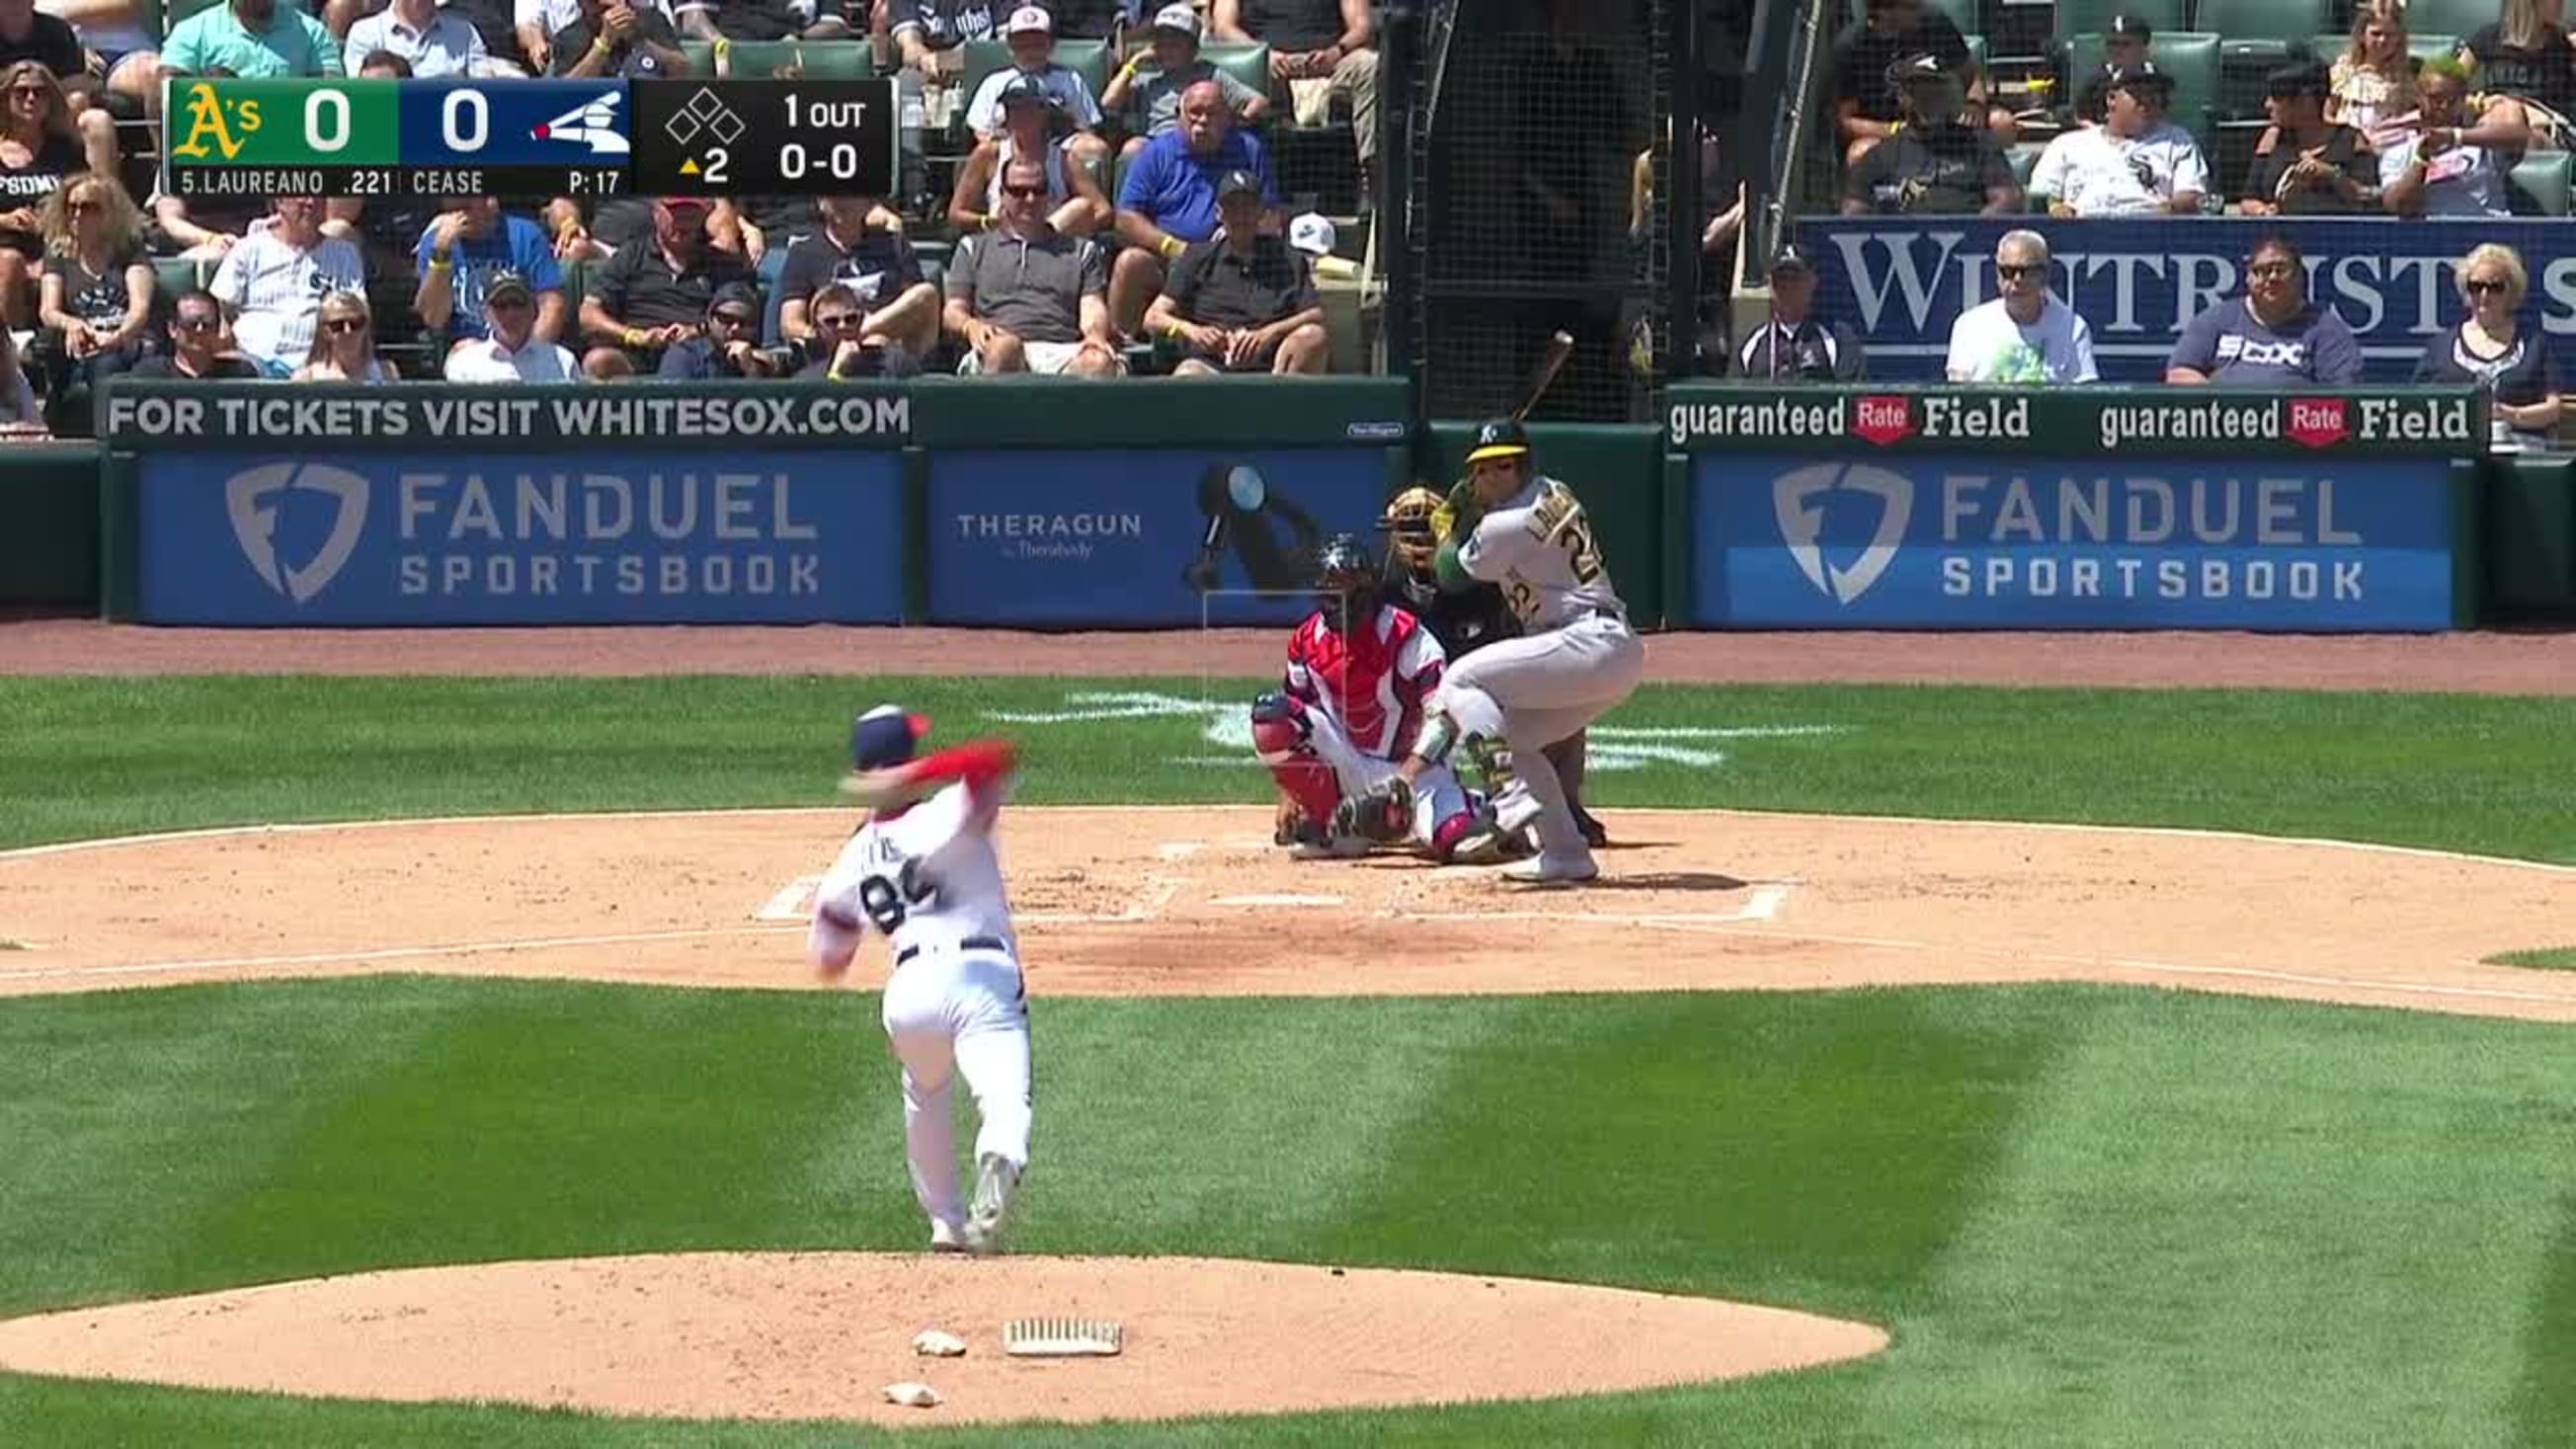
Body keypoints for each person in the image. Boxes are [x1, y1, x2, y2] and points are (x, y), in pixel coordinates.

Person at [1347, 419, 1644, 886]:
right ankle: (1566, 852)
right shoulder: (1553, 490)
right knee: (1517, 737)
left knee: (1463, 679)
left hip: (1587, 641)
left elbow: (1449, 573)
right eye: (1482, 469)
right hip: (1603, 651)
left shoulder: (1508, 524)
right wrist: (1472, 510)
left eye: (1502, 467)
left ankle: (1506, 797)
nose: (1489, 477)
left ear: (1522, 466)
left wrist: (1448, 526)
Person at [810, 705, 1032, 1257]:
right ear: (906, 756)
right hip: (980, 977)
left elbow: (831, 956)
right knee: (1002, 1095)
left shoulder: (850, 858)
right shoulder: (950, 810)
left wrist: (873, 845)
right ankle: (1001, 1151)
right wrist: (916, 779)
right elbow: (994, 757)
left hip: (909, 992)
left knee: (924, 1093)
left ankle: (946, 1225)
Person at [1250, 534, 1508, 865]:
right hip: (1348, 762)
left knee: (1459, 841)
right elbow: (1300, 712)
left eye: (1345, 585)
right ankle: (1331, 821)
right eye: (1329, 585)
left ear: (1367, 590)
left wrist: (1404, 780)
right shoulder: (1306, 640)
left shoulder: (1410, 638)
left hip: (1414, 773)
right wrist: (1290, 793)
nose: (1336, 595)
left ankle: (1484, 807)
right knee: (1271, 717)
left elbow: (1446, 720)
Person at [1376, 485, 1607, 851]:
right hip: (1413, 706)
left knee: (1556, 704)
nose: (1418, 540)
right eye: (1409, 530)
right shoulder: (1382, 595)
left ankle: (1562, 806)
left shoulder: (1483, 584)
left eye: (1425, 528)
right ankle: (1425, 803)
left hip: (1481, 695)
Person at [1112, 78, 1278, 336]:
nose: (1202, 121)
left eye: (1212, 114)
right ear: (1180, 117)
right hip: (1169, 261)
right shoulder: (1155, 153)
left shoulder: (1249, 149)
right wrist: (1173, 247)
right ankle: (1123, 348)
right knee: (1130, 262)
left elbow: (1271, 214)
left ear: (1228, 118)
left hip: (1233, 258)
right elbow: (1125, 218)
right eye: (1195, 113)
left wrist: (1241, 237)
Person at [942, 153, 1122, 375]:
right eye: (1018, 191)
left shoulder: (1081, 251)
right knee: (1005, 348)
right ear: (1002, 195)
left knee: (1098, 361)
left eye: (1038, 191)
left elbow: (1092, 307)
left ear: (1048, 196)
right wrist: (971, 326)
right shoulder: (972, 247)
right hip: (997, 342)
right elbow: (952, 312)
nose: (1029, 199)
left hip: (1061, 348)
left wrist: (1095, 334)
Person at [1145, 167, 1327, 376]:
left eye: (1248, 207)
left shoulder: (1287, 258)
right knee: (1188, 375)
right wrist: (1192, 331)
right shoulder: (1197, 257)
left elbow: (1315, 314)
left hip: (1273, 367)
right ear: (1219, 213)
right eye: (1232, 207)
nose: (1240, 215)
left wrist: (1269, 333)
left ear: (1261, 212)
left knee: (1313, 336)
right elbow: (1153, 317)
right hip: (1211, 364)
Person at [579, 196, 755, 374]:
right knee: (599, 360)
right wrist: (634, 336)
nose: (683, 223)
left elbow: (743, 316)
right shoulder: (631, 255)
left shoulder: (720, 262)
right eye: (676, 215)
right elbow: (588, 314)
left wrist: (697, 331)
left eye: (691, 216)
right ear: (656, 213)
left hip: (699, 356)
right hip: (637, 356)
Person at [1209, 0, 1376, 184]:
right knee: (1225, 80)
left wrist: (1336, 52)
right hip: (1268, 68)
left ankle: (1372, 178)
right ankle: (1234, 183)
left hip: (1331, 67)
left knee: (1368, 65)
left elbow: (1362, 26)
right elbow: (1224, 27)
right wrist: (1261, 54)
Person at [34, 173, 152, 432]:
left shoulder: (129, 250)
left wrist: (119, 336)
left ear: (109, 212)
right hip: (82, 343)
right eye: (71, 207)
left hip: (125, 343)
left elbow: (139, 308)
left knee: (107, 364)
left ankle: (111, 442)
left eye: (88, 208)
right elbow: (48, 310)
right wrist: (73, 324)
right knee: (93, 364)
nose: (77, 215)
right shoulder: (58, 253)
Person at [1, 60, 116, 327]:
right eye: (21, 92)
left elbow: (91, 199)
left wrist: (52, 223)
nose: (31, 98)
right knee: (9, 263)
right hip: (5, 247)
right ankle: (11, 350)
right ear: (6, 98)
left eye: (39, 92)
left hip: (60, 245)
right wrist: (6, 219)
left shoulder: (65, 151)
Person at [2416, 243, 2562, 450]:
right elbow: (2418, 403)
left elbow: (2553, 409)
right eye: (2476, 287)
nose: (2484, 295)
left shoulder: (2534, 345)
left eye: (2495, 287)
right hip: (2456, 450)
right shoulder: (2440, 347)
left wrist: (2509, 414)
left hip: (2520, 450)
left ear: (2511, 292)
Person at [2165, 234, 2363, 385]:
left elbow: (2343, 391)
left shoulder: (2326, 329)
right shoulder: (2216, 319)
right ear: (2248, 278)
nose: (2272, 278)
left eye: (2281, 269)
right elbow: (2179, 372)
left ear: (2299, 276)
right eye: (2262, 271)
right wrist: (2218, 402)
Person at [1831, 0, 2010, 166]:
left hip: (1944, 123)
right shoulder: (1850, 46)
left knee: (2002, 124)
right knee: (1860, 154)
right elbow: (1845, 121)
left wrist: (1974, 105)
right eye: (1911, 6)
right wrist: (1895, 130)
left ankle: (1983, 187)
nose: (1921, 8)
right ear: (1885, 12)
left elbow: (1971, 76)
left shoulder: (1935, 22)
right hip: (1891, 132)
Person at [1841, 52, 2021, 216]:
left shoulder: (1981, 146)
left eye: (1938, 90)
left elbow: (2007, 200)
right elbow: (1853, 213)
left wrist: (1968, 232)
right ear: (1903, 98)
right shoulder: (1880, 156)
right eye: (1920, 91)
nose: (1930, 98)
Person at [208, 195, 367, 375]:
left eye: (318, 196)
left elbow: (357, 313)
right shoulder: (249, 249)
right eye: (302, 196)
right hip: (254, 364)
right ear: (280, 201)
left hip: (318, 367)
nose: (311, 202)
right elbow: (222, 310)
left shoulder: (344, 254)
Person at [946, 74, 1113, 239]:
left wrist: (1067, 231)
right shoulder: (989, 155)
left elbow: (1103, 211)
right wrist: (987, 222)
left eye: (1027, 108)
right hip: (1001, 241)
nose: (1018, 114)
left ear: (1043, 113)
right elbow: (956, 214)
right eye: (1012, 108)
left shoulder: (1064, 160)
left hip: (1050, 245)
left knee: (1080, 207)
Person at [2031, 62, 2208, 216]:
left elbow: (2192, 195)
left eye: (2155, 93)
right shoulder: (2068, 144)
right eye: (2137, 93)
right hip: (2080, 231)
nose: (2147, 100)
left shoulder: (2177, 141)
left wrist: (2171, 208)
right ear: (2111, 99)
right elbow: (2041, 194)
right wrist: (2056, 208)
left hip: (2149, 232)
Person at [774, 193, 938, 358]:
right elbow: (790, 324)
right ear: (821, 203)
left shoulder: (895, 244)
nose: (842, 202)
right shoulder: (804, 252)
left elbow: (920, 307)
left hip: (894, 348)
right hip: (833, 352)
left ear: (868, 204)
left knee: (926, 293)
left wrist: (870, 330)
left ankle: (864, 333)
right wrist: (829, 335)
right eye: (834, 196)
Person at [1102, 3, 1265, 158]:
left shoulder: (1209, 73)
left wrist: (1234, 123)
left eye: (1175, 43)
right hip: (1158, 145)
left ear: (1193, 48)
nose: (1167, 48)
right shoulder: (1149, 77)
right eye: (1162, 41)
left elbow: (1259, 101)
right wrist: (1134, 62)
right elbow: (1108, 103)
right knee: (1133, 148)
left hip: (1203, 142)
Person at [2380, 56, 2528, 218]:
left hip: (2486, 230)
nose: (2444, 107)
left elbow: (2520, 136)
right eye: (2436, 99)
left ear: (2464, 99)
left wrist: (2454, 137)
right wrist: (2421, 159)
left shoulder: (2481, 141)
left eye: (2452, 100)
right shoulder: (2399, 149)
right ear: (2419, 97)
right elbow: (2398, 205)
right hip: (2429, 235)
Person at [1945, 229, 2097, 384]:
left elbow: (2085, 395)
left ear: (2044, 275)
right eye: (2008, 272)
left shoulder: (2072, 327)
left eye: (2027, 272)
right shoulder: (1968, 326)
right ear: (1997, 275)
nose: (2017, 280)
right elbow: (1957, 395)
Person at [416, 196, 567, 349]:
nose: (459, 217)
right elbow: (434, 318)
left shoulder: (526, 236)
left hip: (524, 346)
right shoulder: (435, 244)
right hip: (466, 351)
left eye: (466, 208)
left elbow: (552, 305)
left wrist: (530, 352)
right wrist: (441, 255)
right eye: (452, 211)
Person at [2238, 60, 2379, 215]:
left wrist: (2332, 175)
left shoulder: (2351, 140)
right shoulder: (2272, 139)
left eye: (2277, 97)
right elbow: (2248, 199)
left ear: (2305, 100)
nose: (2268, 104)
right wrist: (2263, 211)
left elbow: (2368, 196)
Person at [962, 6, 1104, 159]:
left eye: (1038, 43)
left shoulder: (1069, 79)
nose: (1030, 50)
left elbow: (1087, 127)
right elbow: (981, 132)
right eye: (1023, 43)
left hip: (1059, 150)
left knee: (1095, 148)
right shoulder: (994, 82)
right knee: (984, 151)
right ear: (1010, 46)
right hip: (1010, 149)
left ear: (1051, 45)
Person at [1731, 241, 1866, 381]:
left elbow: (1852, 395)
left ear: (1813, 281)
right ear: (1770, 284)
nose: (1787, 286)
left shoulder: (1839, 340)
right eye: (1781, 278)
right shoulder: (1751, 344)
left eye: (1795, 278)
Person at [444, 269, 582, 381]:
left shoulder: (563, 361)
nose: (510, 313)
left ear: (535, 311)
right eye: (501, 305)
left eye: (518, 303)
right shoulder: (464, 363)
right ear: (486, 314)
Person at [2459, 0, 2576, 123]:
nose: (2562, 2)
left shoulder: (2561, 44)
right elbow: (2447, 86)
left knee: (2514, 112)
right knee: (2508, 110)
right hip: (2495, 121)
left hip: (2542, 127)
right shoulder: (2488, 37)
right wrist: (2481, 103)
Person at [158, 0, 343, 77]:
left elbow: (331, 93)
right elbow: (167, 90)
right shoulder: (192, 31)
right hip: (214, 150)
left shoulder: (313, 34)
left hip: (291, 147)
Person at [657, 280, 790, 376]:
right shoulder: (685, 355)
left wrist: (751, 369)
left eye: (745, 322)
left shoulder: (762, 362)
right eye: (726, 319)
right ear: (710, 318)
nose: (735, 328)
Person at [2329, 0, 2416, 145]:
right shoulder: (2343, 71)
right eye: (2376, 34)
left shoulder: (2407, 75)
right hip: (2349, 145)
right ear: (2362, 35)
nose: (2383, 40)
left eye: (2391, 34)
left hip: (2392, 144)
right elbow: (2327, 114)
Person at [798, 280, 923, 377]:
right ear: (817, 328)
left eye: (851, 319)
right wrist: (837, 372)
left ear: (861, 321)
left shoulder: (896, 363)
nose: (843, 326)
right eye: (832, 321)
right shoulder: (808, 378)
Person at [129, 287, 262, 378]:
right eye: (191, 323)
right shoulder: (149, 375)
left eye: (207, 324)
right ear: (173, 329)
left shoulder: (239, 374)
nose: (200, 330)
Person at [547, 0, 690, 77]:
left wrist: (639, 40)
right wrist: (604, 43)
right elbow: (566, 92)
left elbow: (683, 70)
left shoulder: (652, 19)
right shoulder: (569, 36)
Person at [290, 288, 395, 382]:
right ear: (325, 331)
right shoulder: (306, 378)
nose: (347, 331)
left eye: (355, 324)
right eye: (338, 325)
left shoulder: (386, 373)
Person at [2071, 13, 2153, 126]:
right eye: (2112, 43)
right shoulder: (2097, 81)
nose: (2117, 50)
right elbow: (2080, 116)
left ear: (2144, 47)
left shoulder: (2156, 81)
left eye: (2125, 44)